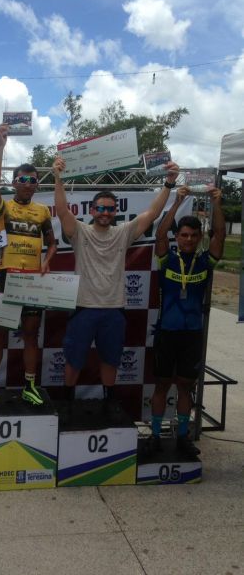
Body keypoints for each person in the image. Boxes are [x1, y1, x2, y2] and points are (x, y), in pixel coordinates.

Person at [53, 155, 180, 417]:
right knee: (74, 360)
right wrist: (58, 177)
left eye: (110, 209)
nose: (105, 213)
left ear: (115, 212)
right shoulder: (79, 231)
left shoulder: (123, 233)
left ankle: (109, 402)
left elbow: (153, 214)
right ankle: (66, 403)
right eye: (100, 208)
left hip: (114, 309)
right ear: (92, 211)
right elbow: (62, 210)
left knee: (110, 360)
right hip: (83, 308)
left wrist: (168, 184)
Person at [0, 123, 57, 410]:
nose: (27, 183)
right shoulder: (5, 208)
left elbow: (53, 243)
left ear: (37, 185)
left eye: (33, 180)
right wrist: (0, 146)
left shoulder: (43, 211)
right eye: (22, 179)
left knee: (31, 335)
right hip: (6, 277)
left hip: (32, 281)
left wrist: (46, 263)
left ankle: (29, 387)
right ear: (14, 183)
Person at [144, 185, 225, 457]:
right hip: (167, 332)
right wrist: (177, 202)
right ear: (177, 237)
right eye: (184, 235)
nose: (188, 240)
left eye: (193, 235)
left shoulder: (204, 262)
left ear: (199, 237)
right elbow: (159, 233)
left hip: (192, 334)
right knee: (161, 386)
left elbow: (220, 234)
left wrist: (216, 204)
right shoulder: (166, 260)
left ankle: (181, 437)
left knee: (185, 387)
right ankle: (155, 436)